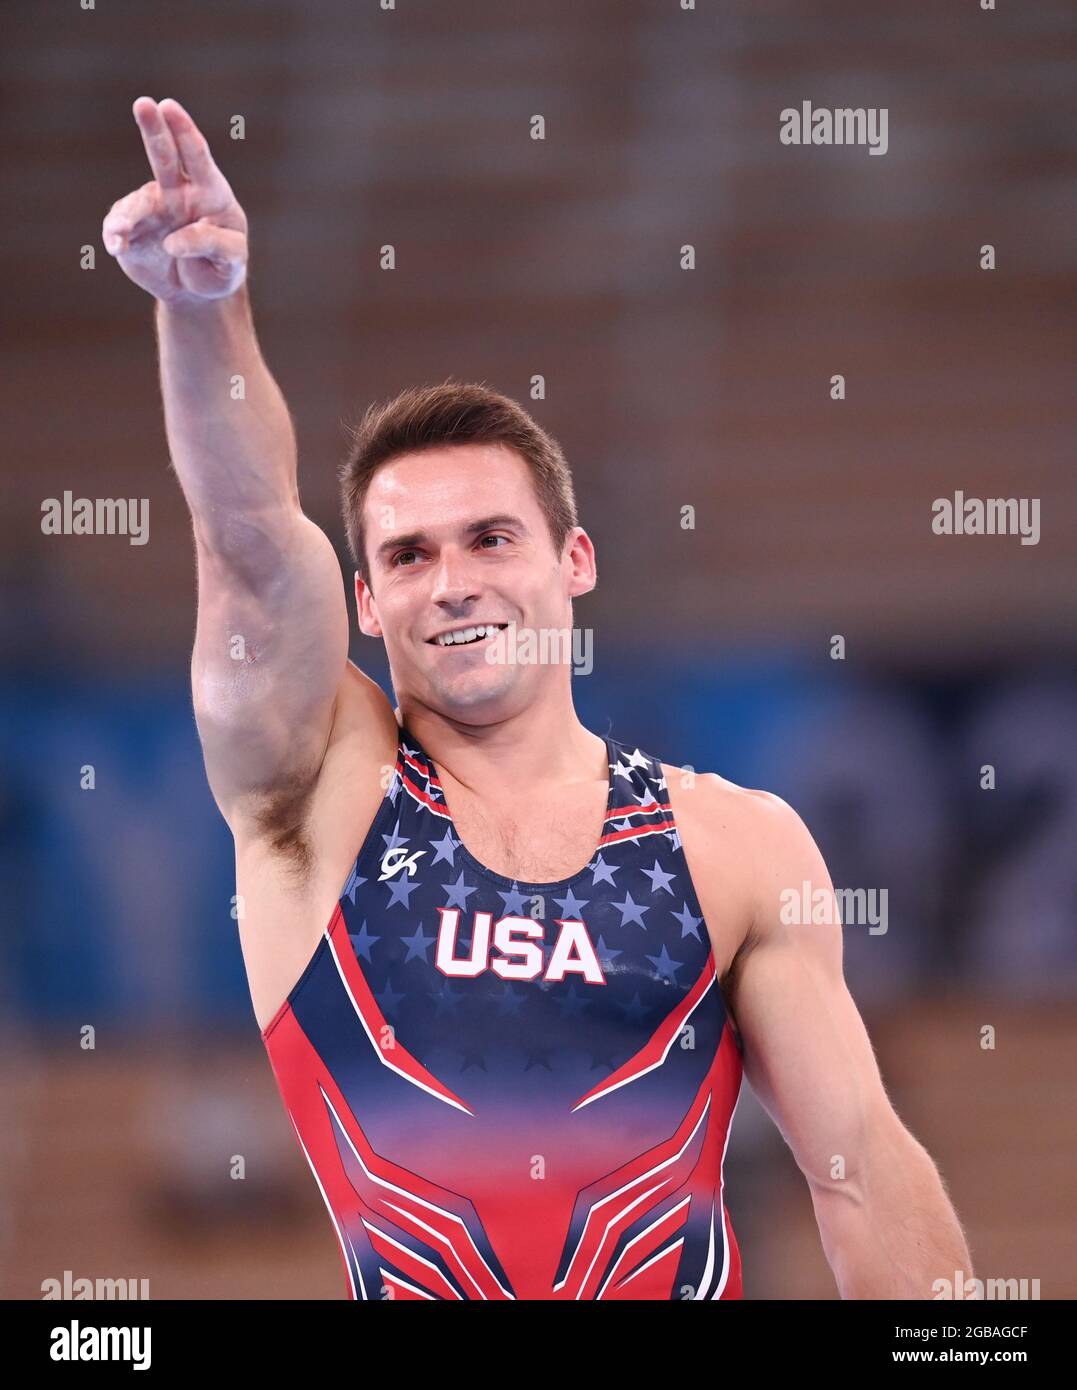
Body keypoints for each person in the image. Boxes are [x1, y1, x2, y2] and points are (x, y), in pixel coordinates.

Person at [102, 95, 974, 1301]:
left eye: (491, 538)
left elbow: (862, 1171)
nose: (452, 583)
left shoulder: (733, 843)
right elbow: (249, 540)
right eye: (408, 556)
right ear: (365, 599)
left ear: (574, 562)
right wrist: (205, 312)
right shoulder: (319, 791)